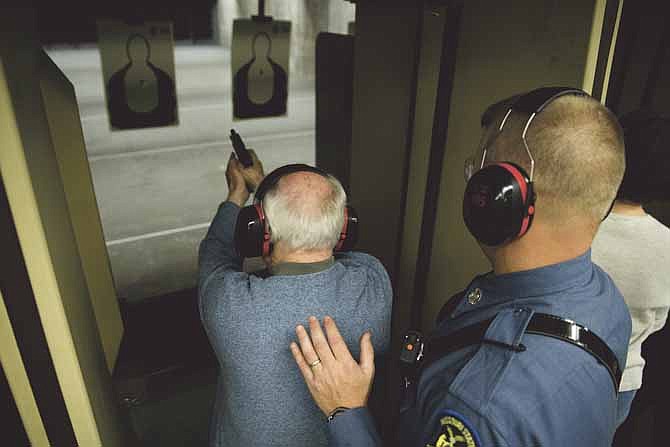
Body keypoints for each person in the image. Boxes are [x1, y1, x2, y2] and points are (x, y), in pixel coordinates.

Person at [290, 87, 632, 446]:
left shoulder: (482, 414)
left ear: (503, 201)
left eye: (477, 172)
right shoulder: (604, 301)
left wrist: (346, 412)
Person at [198, 150, 392, 446]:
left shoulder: (227, 304)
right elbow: (335, 252)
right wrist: (273, 194)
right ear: (343, 229)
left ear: (259, 232)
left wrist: (239, 191)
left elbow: (216, 251)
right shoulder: (374, 281)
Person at [591, 110, 670, 427]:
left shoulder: (577, 227)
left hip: (556, 368)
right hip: (622, 380)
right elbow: (657, 322)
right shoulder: (666, 243)